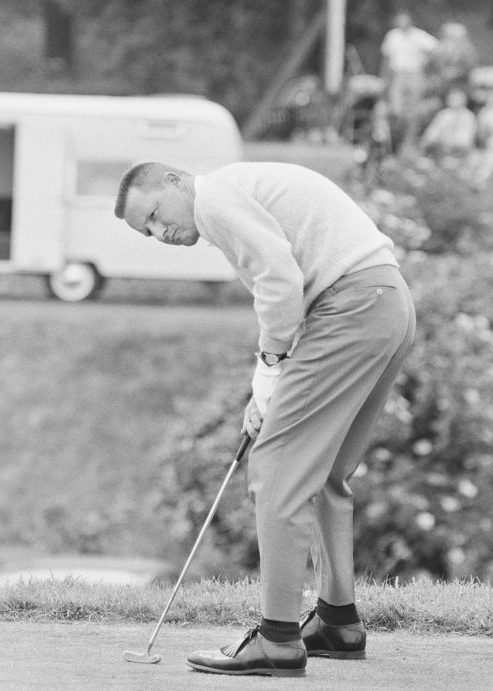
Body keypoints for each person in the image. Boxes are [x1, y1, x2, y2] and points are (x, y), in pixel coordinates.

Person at [114, 161, 416, 677]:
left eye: (156, 215)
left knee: (277, 468)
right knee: (324, 473)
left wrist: (272, 366)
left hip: (351, 308)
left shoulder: (215, 199)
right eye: (147, 231)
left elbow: (279, 277)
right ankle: (337, 623)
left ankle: (277, 640)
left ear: (176, 182)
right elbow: (286, 287)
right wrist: (267, 384)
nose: (159, 232)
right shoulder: (234, 196)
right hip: (386, 303)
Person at [380, 11, 438, 151]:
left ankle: (409, 141)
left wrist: (426, 65)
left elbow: (436, 50)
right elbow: (386, 58)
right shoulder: (393, 36)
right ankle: (393, 140)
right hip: (397, 74)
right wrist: (384, 77)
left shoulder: (419, 36)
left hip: (415, 73)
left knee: (413, 111)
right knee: (396, 110)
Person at [420, 87, 476, 168]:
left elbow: (467, 139)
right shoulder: (444, 114)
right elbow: (432, 131)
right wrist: (428, 141)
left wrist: (453, 144)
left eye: (458, 99)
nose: (455, 101)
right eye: (452, 99)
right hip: (441, 147)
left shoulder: (469, 116)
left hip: (458, 149)